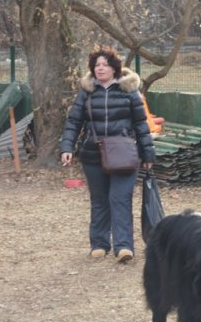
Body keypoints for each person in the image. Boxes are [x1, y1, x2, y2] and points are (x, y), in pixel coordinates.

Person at [60, 45, 156, 263]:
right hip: (93, 154)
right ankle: (99, 243)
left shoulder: (129, 91)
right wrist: (67, 147)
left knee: (120, 198)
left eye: (105, 65)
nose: (100, 69)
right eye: (96, 65)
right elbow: (74, 121)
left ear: (114, 68)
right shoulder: (86, 92)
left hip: (123, 154)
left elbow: (142, 125)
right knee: (99, 199)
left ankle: (123, 246)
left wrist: (148, 155)